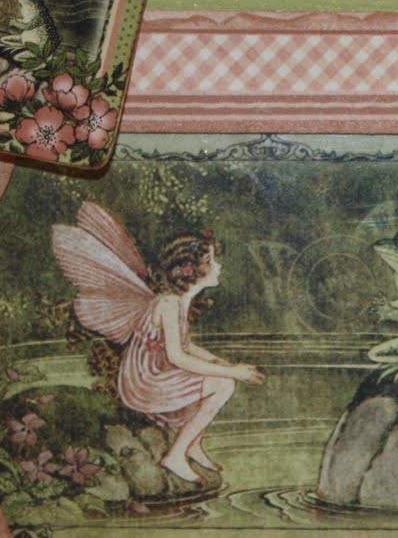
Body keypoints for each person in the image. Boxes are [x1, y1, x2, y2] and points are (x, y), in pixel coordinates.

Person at [51, 205, 263, 484]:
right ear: (191, 270)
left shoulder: (180, 301)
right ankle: (175, 455)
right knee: (224, 384)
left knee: (219, 377)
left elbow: (186, 346)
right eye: (211, 261)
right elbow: (177, 357)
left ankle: (193, 445)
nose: (219, 267)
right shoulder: (169, 303)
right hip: (145, 379)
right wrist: (231, 372)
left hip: (156, 372)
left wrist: (220, 362)